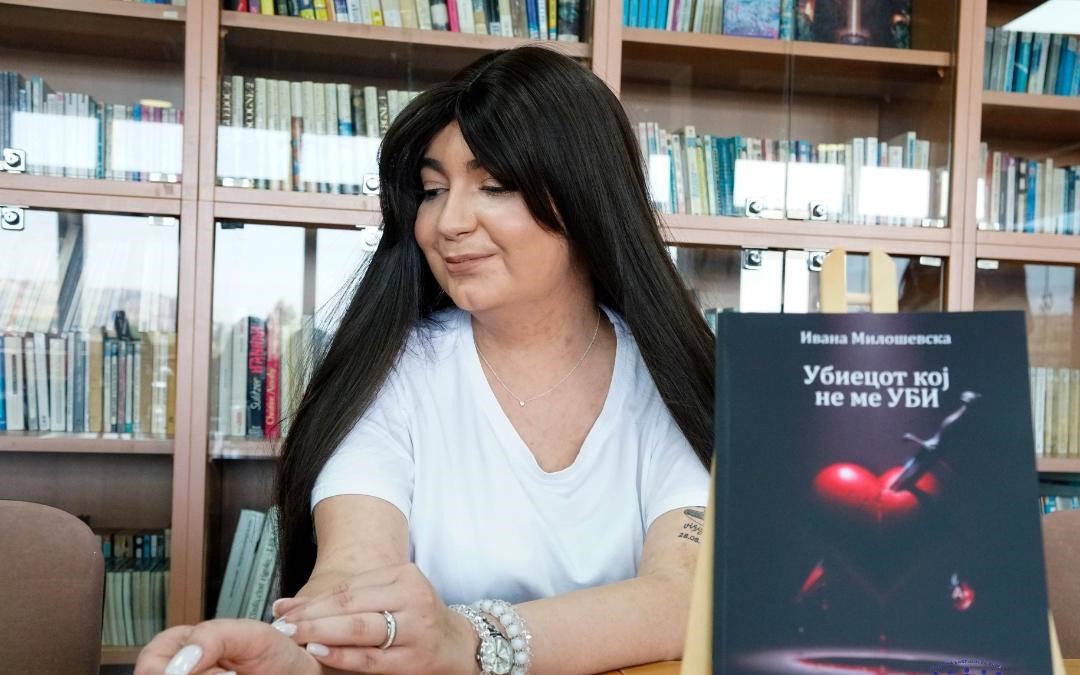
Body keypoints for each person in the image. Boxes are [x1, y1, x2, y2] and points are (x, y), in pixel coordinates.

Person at [136, 44, 714, 675]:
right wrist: (307, 656)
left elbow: (683, 594)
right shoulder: (394, 369)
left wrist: (470, 642)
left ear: (586, 197)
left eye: (494, 185)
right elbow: (354, 569)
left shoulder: (667, 375)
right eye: (433, 190)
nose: (448, 222)